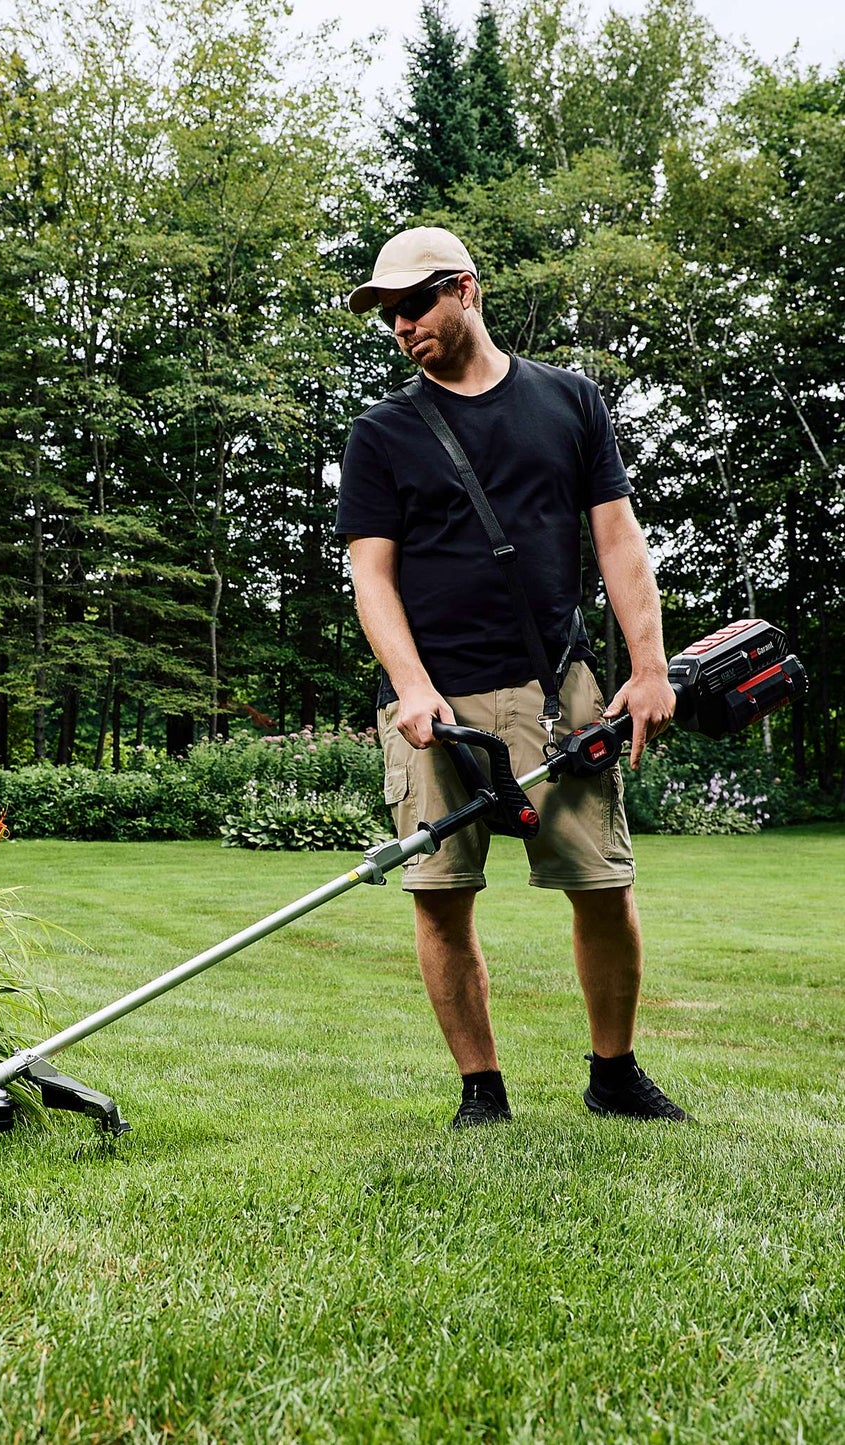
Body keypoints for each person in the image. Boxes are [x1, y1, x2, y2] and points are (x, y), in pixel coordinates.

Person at [335, 226, 691, 1128]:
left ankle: (613, 1074)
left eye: (413, 305)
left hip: (554, 689)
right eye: (385, 315)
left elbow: (617, 540)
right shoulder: (380, 434)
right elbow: (370, 575)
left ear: (466, 290)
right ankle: (480, 1092)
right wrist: (411, 689)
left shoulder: (568, 401)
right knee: (441, 897)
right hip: (432, 702)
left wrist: (648, 667)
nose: (399, 326)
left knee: (601, 884)